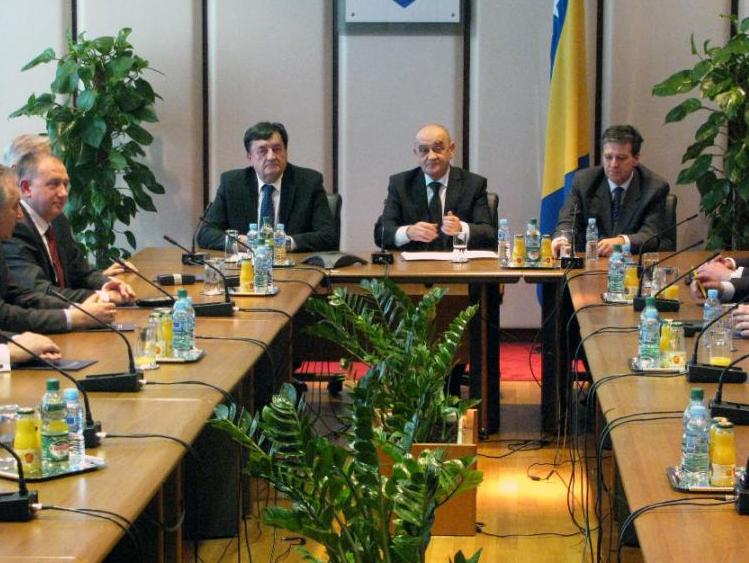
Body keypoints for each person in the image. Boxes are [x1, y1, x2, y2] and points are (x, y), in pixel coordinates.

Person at [3, 150, 135, 304]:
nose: (64, 193)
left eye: (65, 184)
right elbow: (39, 290)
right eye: (54, 184)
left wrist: (108, 284)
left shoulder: (58, 221)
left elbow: (81, 273)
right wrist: (102, 296)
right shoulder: (14, 227)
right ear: (26, 188)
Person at [0, 165, 116, 333]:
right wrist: (75, 318)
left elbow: (20, 296)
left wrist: (78, 310)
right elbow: (4, 314)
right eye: (14, 206)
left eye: (65, 184)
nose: (20, 215)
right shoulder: (17, 232)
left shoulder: (59, 221)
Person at [197, 121, 337, 252]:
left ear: (286, 152)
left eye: (277, 149)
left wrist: (285, 243)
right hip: (245, 266)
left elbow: (329, 236)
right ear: (250, 157)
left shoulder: (309, 183)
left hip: (293, 265)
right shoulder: (232, 184)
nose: (271, 157)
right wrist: (242, 242)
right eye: (262, 151)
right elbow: (205, 234)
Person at [552, 125, 670, 257]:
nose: (614, 164)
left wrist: (622, 242)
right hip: (589, 263)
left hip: (631, 264)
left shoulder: (654, 188)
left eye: (621, 158)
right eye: (608, 157)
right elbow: (568, 220)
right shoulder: (584, 181)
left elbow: (651, 235)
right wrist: (563, 239)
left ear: (636, 159)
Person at [373, 123, 495, 250]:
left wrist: (461, 228)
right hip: (414, 262)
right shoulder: (401, 184)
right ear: (416, 154)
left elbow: (489, 234)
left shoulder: (473, 184)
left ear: (451, 150)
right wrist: (408, 232)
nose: (431, 157)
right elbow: (381, 233)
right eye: (424, 150)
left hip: (456, 261)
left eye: (438, 148)